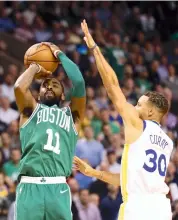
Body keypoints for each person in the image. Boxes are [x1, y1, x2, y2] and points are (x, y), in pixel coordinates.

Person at [74, 20, 173, 220]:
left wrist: (94, 48)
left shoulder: (139, 124)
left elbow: (112, 86)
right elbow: (129, 180)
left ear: (151, 113)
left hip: (138, 208)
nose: (134, 108)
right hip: (162, 209)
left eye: (139, 105)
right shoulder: (168, 142)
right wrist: (95, 173)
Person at [14, 42, 86, 220]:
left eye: (55, 84)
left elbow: (78, 82)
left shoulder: (73, 116)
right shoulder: (30, 110)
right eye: (45, 85)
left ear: (63, 95)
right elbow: (19, 87)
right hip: (30, 186)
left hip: (58, 187)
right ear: (38, 94)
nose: (49, 87)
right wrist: (34, 67)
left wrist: (59, 54)